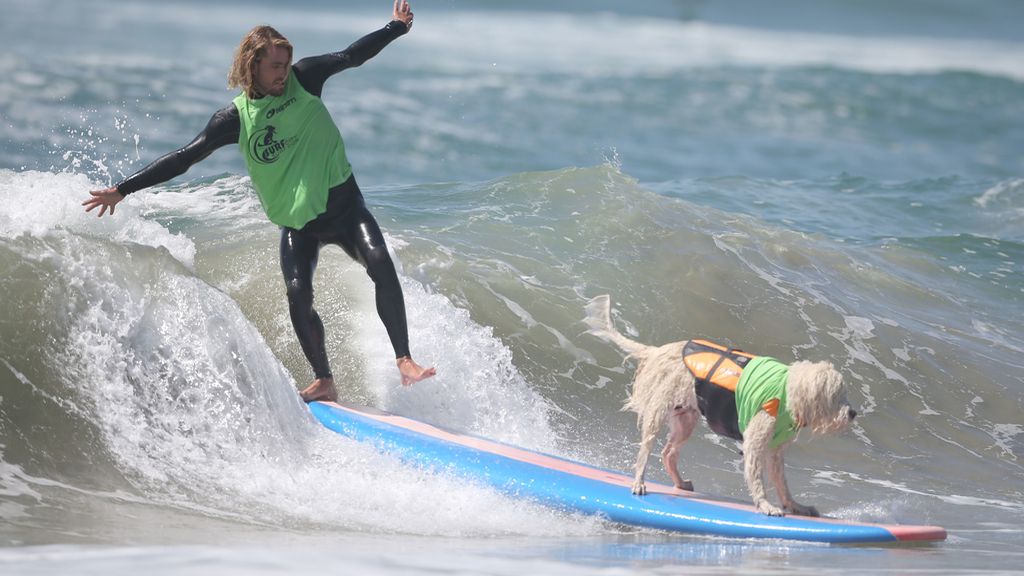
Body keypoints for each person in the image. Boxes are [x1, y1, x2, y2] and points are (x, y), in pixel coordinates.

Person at [83, 0, 436, 402]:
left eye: (286, 64)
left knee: (380, 263)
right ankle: (324, 380)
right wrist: (123, 189)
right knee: (298, 291)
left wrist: (395, 28)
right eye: (275, 67)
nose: (283, 73)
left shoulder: (305, 79)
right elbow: (185, 157)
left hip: (345, 208)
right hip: (299, 223)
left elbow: (351, 56)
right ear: (252, 66)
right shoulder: (234, 120)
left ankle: (404, 358)